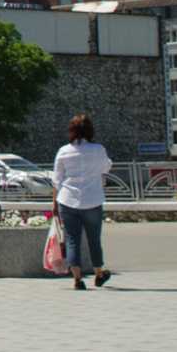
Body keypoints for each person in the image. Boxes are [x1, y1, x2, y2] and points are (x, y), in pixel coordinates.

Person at [52, 114, 112, 290]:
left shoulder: (64, 151)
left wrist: (54, 203)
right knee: (94, 239)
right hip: (92, 200)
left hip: (68, 199)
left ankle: (77, 279)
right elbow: (106, 167)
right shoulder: (98, 149)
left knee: (72, 240)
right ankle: (98, 273)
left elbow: (57, 180)